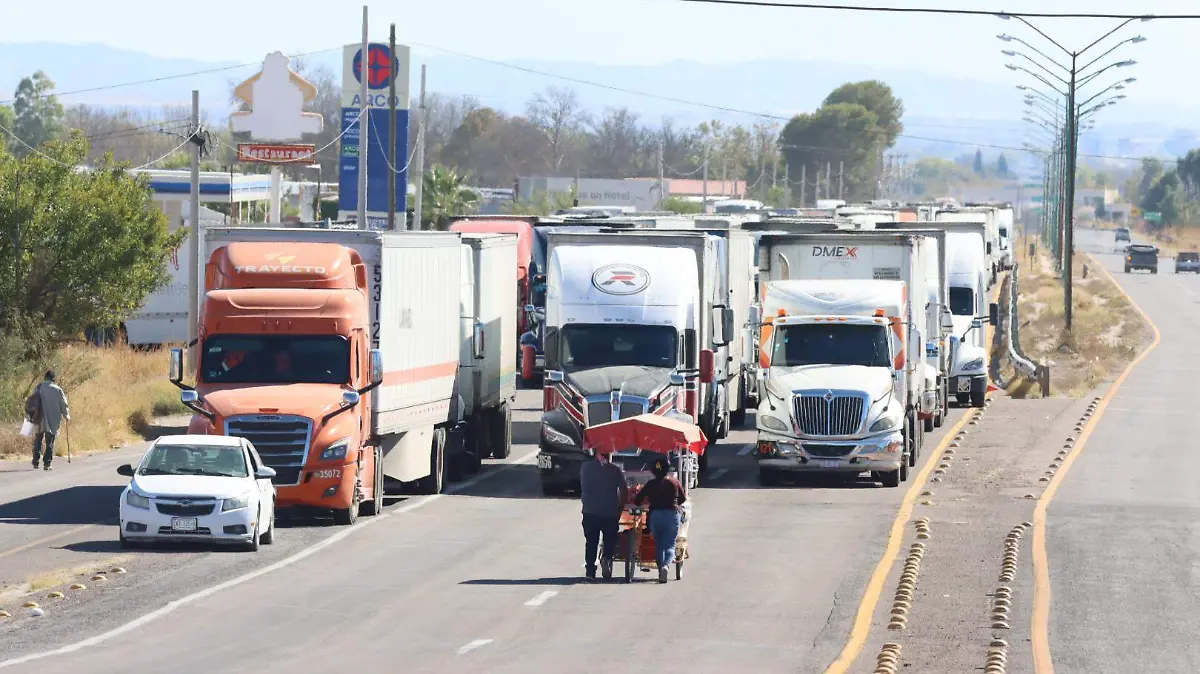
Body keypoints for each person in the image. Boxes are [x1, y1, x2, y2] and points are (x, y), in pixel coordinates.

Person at [632, 456, 687, 583]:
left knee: (659, 545)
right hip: (672, 515)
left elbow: (637, 500)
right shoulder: (674, 482)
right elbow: (683, 499)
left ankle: (661, 568)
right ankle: (665, 566)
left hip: (655, 516)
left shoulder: (651, 484)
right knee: (670, 544)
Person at [579, 448, 628, 581]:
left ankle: (590, 570)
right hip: (610, 512)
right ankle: (606, 558)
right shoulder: (614, 470)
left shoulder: (585, 467)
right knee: (610, 539)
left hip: (589, 511)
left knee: (591, 542)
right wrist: (620, 509)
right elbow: (624, 491)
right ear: (608, 453)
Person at [31, 371, 70, 471]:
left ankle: (35, 462)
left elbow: (32, 401)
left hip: (39, 418)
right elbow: (63, 404)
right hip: (53, 419)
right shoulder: (57, 389)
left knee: (38, 439)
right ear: (53, 378)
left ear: (45, 377)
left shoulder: (38, 387)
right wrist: (66, 415)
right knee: (50, 441)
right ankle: (47, 464)